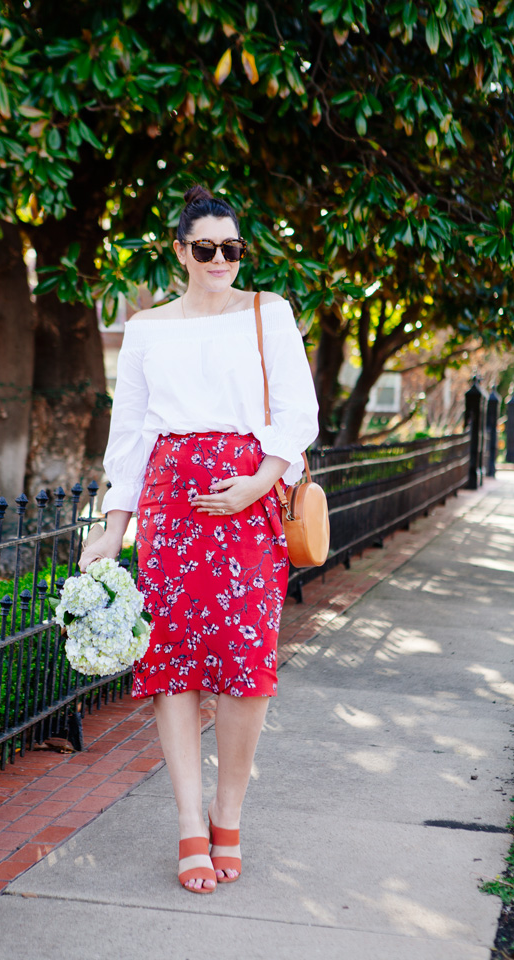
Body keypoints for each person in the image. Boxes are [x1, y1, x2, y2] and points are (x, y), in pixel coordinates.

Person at [80, 185, 319, 894]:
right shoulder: (150, 328)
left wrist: (261, 479)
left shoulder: (266, 312)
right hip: (170, 505)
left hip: (248, 506)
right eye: (207, 249)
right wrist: (113, 525)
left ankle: (228, 811)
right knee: (173, 666)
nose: (222, 261)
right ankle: (189, 823)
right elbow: (130, 433)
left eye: (233, 249)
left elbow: (298, 411)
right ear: (181, 251)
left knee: (248, 667)